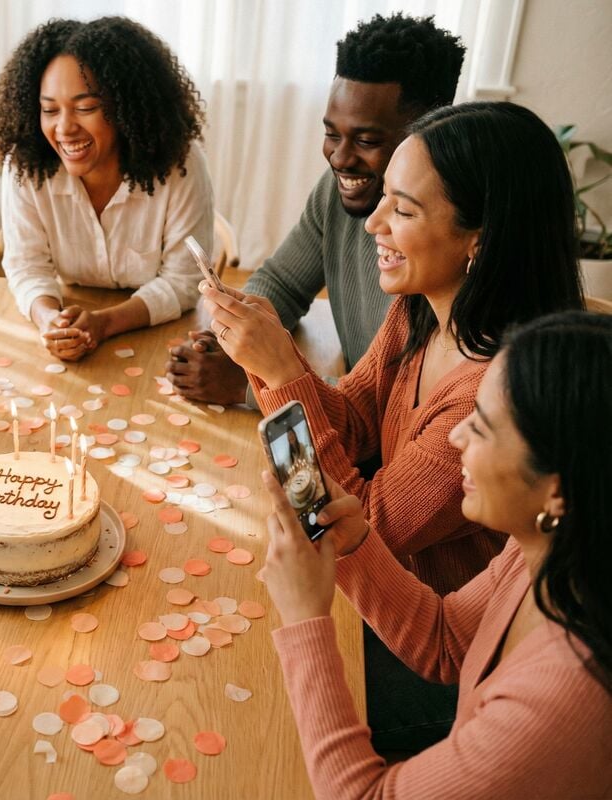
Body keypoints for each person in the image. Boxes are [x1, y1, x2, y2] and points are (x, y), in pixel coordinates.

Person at [203, 101, 583, 751]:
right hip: (377, 598)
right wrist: (271, 364)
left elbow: (358, 525)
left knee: (243, 703)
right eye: (384, 200)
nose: (372, 222)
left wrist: (278, 370)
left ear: (479, 240)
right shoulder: (423, 310)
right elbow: (348, 424)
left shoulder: (489, 399)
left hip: (422, 642)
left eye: (402, 210)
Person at [260, 311, 612, 798]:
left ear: (557, 491)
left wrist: (305, 621)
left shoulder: (561, 694)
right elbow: (445, 641)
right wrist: (355, 545)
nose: (456, 435)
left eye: (483, 427)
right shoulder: (547, 549)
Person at [168, 13, 466, 404]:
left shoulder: (446, 245)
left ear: (431, 129)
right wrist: (231, 339)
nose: (340, 159)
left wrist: (247, 389)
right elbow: (284, 283)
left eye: (367, 140)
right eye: (331, 133)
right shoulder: (339, 190)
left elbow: (388, 409)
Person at [0, 16, 213, 361]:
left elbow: (183, 281)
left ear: (126, 110)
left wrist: (105, 324)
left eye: (86, 107)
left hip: (159, 332)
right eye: (49, 109)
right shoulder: (26, 165)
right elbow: (26, 266)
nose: (64, 128)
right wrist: (50, 320)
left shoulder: (179, 163)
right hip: (73, 311)